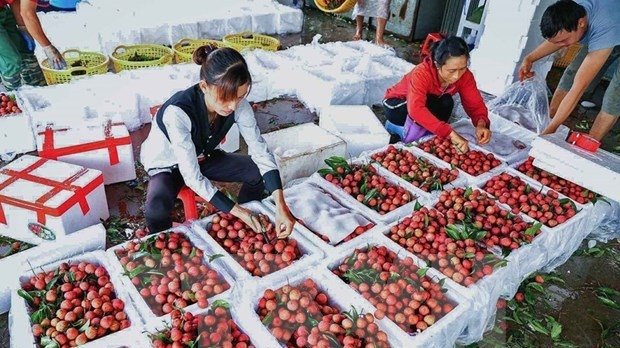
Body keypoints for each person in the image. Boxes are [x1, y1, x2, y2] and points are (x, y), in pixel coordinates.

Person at [140, 45, 296, 238]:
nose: (232, 106)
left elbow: (261, 153)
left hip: (203, 157)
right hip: (168, 166)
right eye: (225, 98)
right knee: (156, 207)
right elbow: (191, 176)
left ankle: (248, 221)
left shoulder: (238, 105)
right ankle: (164, 249)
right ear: (204, 86)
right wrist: (238, 211)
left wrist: (281, 205)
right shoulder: (178, 112)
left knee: (257, 171)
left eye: (239, 97)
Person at [519, 0, 619, 141]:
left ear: (581, 23)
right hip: (608, 27)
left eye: (564, 41)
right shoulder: (572, 11)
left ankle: (588, 144)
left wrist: (549, 133)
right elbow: (558, 38)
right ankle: (549, 121)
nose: (562, 46)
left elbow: (578, 88)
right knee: (570, 77)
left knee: (614, 96)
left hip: (611, 26)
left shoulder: (604, 26)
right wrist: (530, 58)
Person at [383, 36, 491, 152]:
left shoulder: (465, 76)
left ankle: (429, 138)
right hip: (396, 105)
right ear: (437, 64)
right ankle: (409, 143)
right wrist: (450, 133)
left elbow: (474, 104)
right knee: (430, 104)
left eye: (463, 68)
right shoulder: (422, 73)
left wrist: (481, 123)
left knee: (447, 102)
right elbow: (415, 109)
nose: (457, 76)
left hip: (427, 103)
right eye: (451, 71)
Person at [0, 0, 65, 90]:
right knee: (10, 61)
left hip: (3, 9)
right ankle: (13, 96)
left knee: (24, 49)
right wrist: (48, 48)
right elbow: (28, 14)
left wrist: (23, 28)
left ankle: (40, 90)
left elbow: (15, 1)